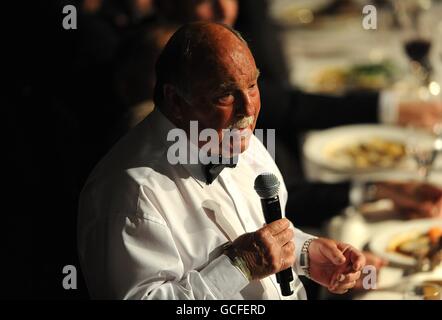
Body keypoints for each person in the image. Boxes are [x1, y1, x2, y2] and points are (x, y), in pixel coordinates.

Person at [78, 22, 366, 299]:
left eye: (252, 85)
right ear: (176, 101)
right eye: (225, 94)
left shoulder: (232, 136)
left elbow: (255, 235)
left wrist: (304, 253)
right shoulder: (131, 194)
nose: (248, 108)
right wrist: (238, 267)